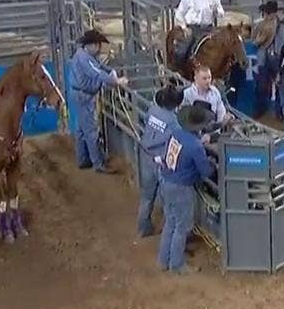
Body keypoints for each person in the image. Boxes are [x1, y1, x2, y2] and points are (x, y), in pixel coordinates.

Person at [158, 106, 216, 274]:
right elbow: (206, 171)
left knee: (170, 222)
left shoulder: (175, 133)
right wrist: (212, 163)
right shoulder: (196, 146)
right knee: (181, 227)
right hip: (181, 187)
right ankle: (176, 265)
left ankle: (164, 260)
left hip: (166, 180)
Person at [67, 29, 128, 174]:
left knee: (81, 129)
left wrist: (110, 71)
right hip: (84, 96)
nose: (100, 48)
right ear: (92, 45)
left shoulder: (83, 55)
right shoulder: (85, 59)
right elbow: (97, 72)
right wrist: (116, 81)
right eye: (99, 45)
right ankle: (98, 163)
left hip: (79, 93)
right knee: (91, 131)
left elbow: (99, 67)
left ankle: (83, 159)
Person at [137, 86, 184, 238]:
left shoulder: (153, 110)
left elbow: (145, 121)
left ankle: (143, 228)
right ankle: (169, 234)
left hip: (147, 155)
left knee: (147, 196)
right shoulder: (174, 122)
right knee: (168, 201)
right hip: (162, 162)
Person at [173, 0, 225, 66]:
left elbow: (221, 12)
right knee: (183, 50)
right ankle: (179, 66)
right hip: (193, 28)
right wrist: (184, 27)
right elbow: (179, 14)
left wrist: (217, 12)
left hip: (209, 28)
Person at [251, 0, 283, 119]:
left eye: (267, 13)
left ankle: (278, 111)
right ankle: (261, 109)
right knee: (262, 85)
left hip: (274, 59)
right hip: (266, 58)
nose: (266, 15)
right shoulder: (264, 24)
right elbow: (255, 40)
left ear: (273, 13)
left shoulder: (279, 26)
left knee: (277, 85)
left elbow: (256, 41)